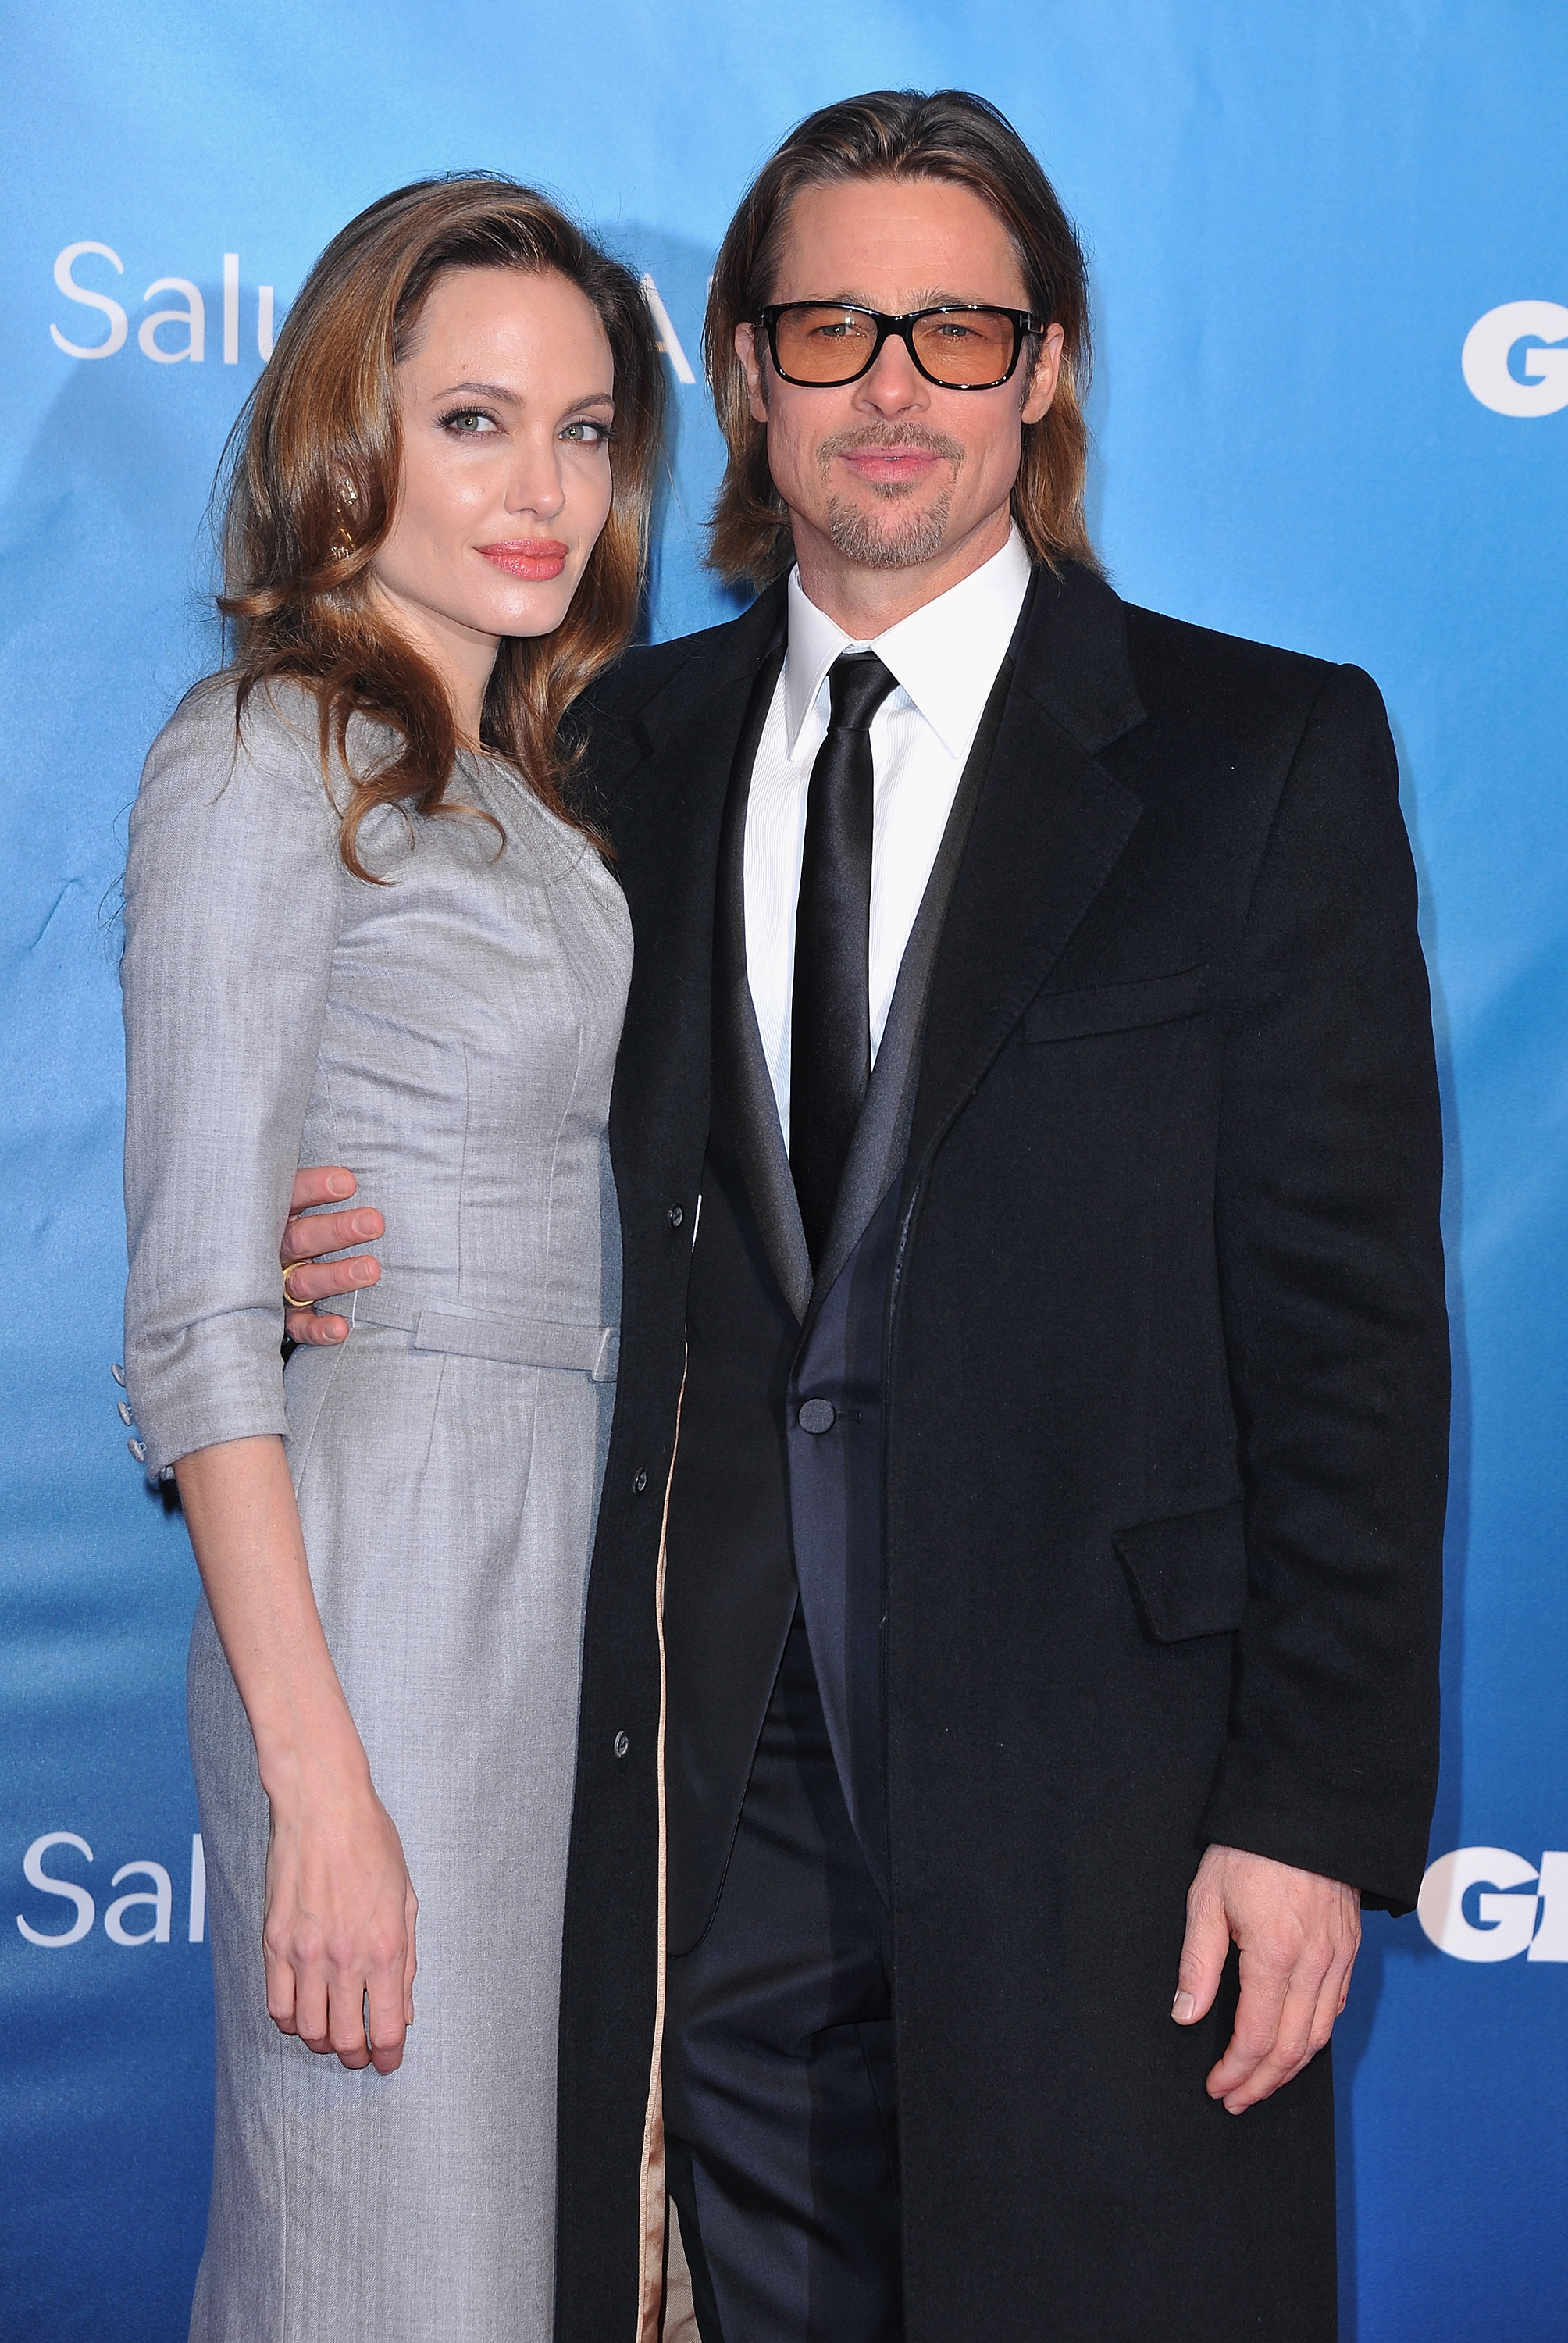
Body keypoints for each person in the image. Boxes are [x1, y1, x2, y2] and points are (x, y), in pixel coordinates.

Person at [283, 91, 1449, 2343]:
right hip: (701, 1811)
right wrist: (325, 1261)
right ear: (735, 373)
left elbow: (1353, 1340)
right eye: (830, 329)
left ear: (1048, 370)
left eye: (955, 329)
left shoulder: (1259, 755)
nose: (893, 387)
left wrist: (1313, 1809)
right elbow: (480, 1131)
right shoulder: (597, 758)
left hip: (1116, 1810)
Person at [119, 176, 664, 2343]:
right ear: (354, 435)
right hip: (381, 1599)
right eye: (475, 423)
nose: (544, 490)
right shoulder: (266, 752)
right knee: (388, 2269)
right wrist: (317, 1782)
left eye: (587, 429)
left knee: (507, 2272)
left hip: (550, 1597)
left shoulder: (517, 788)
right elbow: (193, 1321)